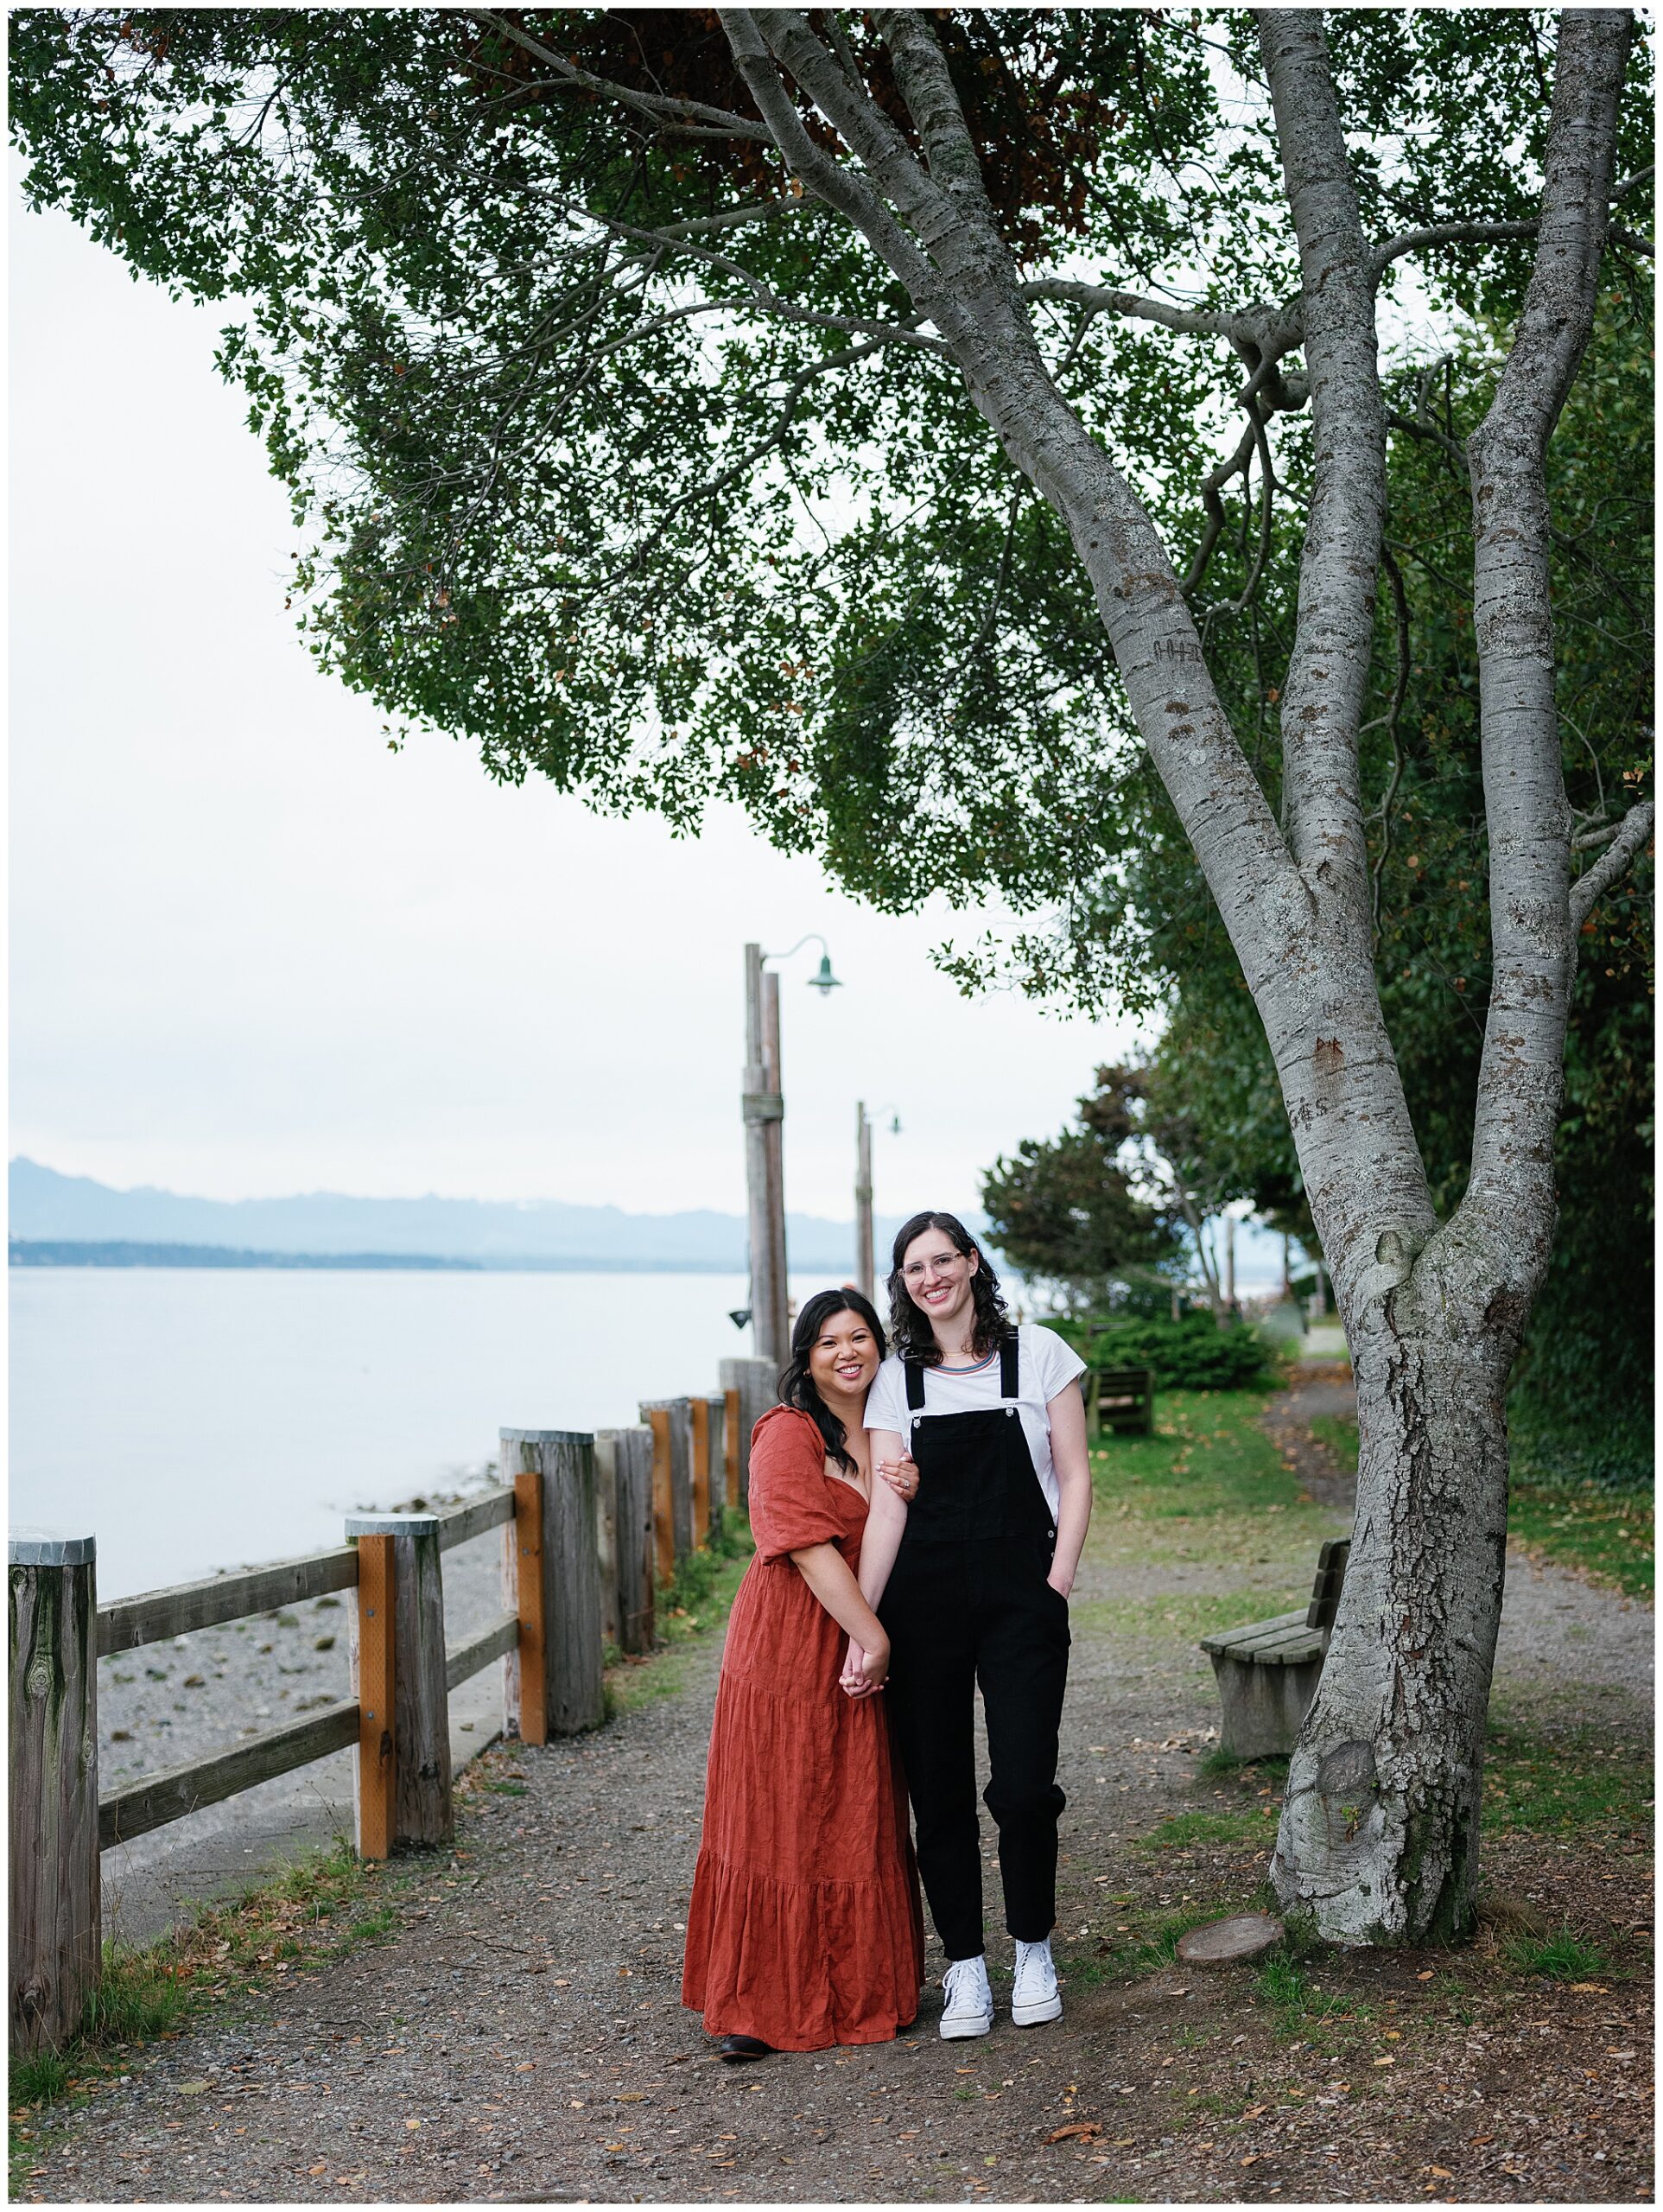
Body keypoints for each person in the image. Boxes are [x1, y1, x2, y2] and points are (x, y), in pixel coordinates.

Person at [847, 1211, 1091, 2040]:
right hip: (922, 1605)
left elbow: (1075, 1473)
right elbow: (885, 1509)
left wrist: (1055, 1581)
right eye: (912, 1268)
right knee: (938, 1792)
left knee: (1024, 1788)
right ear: (903, 1286)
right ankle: (964, 1967)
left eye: (940, 1259)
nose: (928, 1277)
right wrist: (864, 1622)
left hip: (1022, 1594)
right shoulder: (894, 1381)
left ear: (972, 1262)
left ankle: (1031, 1949)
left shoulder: (1041, 1354)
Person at [682, 1287, 925, 2059]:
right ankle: (757, 2002)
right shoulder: (785, 1433)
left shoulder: (891, 1431)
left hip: (856, 1637)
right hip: (789, 1644)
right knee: (778, 1808)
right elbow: (806, 1545)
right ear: (805, 1358)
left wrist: (916, 1489)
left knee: (852, 1805)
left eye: (859, 1337)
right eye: (828, 1343)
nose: (847, 1352)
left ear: (879, 1347)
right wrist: (874, 1639)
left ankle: (861, 1986)